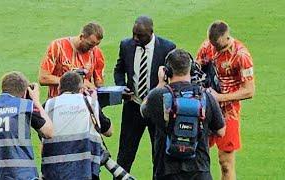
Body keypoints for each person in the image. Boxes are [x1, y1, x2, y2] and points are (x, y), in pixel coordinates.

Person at [140, 49, 225, 180]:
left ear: (167, 71)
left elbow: (143, 110)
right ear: (191, 70)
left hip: (167, 171)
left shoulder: (157, 96)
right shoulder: (206, 97)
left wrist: (161, 83)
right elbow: (221, 131)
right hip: (200, 168)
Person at [113, 15, 176, 173]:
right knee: (125, 154)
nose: (135, 38)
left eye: (139, 35)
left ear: (151, 32)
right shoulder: (126, 45)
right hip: (133, 106)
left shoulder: (167, 48)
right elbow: (119, 70)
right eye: (133, 34)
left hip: (157, 109)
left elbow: (173, 76)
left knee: (159, 154)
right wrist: (121, 87)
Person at [196, 20, 255, 180]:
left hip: (228, 112)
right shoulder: (206, 47)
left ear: (227, 37)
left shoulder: (242, 55)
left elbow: (249, 91)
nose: (214, 48)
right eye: (212, 44)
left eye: (218, 45)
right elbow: (195, 73)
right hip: (205, 108)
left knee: (226, 163)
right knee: (197, 157)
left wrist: (220, 97)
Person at [0, 71, 53, 180]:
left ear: (3, 89)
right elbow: (49, 132)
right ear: (25, 93)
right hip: (23, 175)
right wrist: (36, 101)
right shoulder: (25, 106)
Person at [41, 72, 112, 180]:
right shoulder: (90, 102)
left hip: (54, 172)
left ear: (59, 88)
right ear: (81, 89)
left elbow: (43, 140)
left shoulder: (48, 105)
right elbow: (109, 131)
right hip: (86, 170)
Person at [39, 22, 105, 98]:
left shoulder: (96, 52)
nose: (92, 49)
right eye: (90, 45)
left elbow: (99, 84)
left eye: (96, 45)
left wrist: (95, 88)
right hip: (58, 103)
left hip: (84, 105)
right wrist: (78, 83)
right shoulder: (58, 47)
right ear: (81, 37)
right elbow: (43, 78)